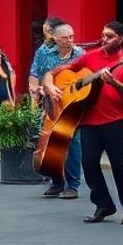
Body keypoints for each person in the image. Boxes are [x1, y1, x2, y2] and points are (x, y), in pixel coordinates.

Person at [44, 21, 123, 224]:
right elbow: (56, 72)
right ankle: (104, 204)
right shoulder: (91, 56)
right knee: (88, 164)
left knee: (119, 166)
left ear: (120, 39)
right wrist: (49, 86)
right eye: (103, 35)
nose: (104, 39)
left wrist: (114, 82)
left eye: (109, 36)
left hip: (115, 121)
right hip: (89, 120)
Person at [31, 21, 82, 198]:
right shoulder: (43, 53)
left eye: (72, 37)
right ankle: (56, 181)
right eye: (65, 37)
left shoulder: (80, 54)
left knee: (71, 142)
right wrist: (36, 87)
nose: (70, 40)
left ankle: (73, 184)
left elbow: (85, 76)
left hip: (73, 104)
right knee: (52, 141)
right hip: (51, 103)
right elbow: (34, 73)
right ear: (55, 38)